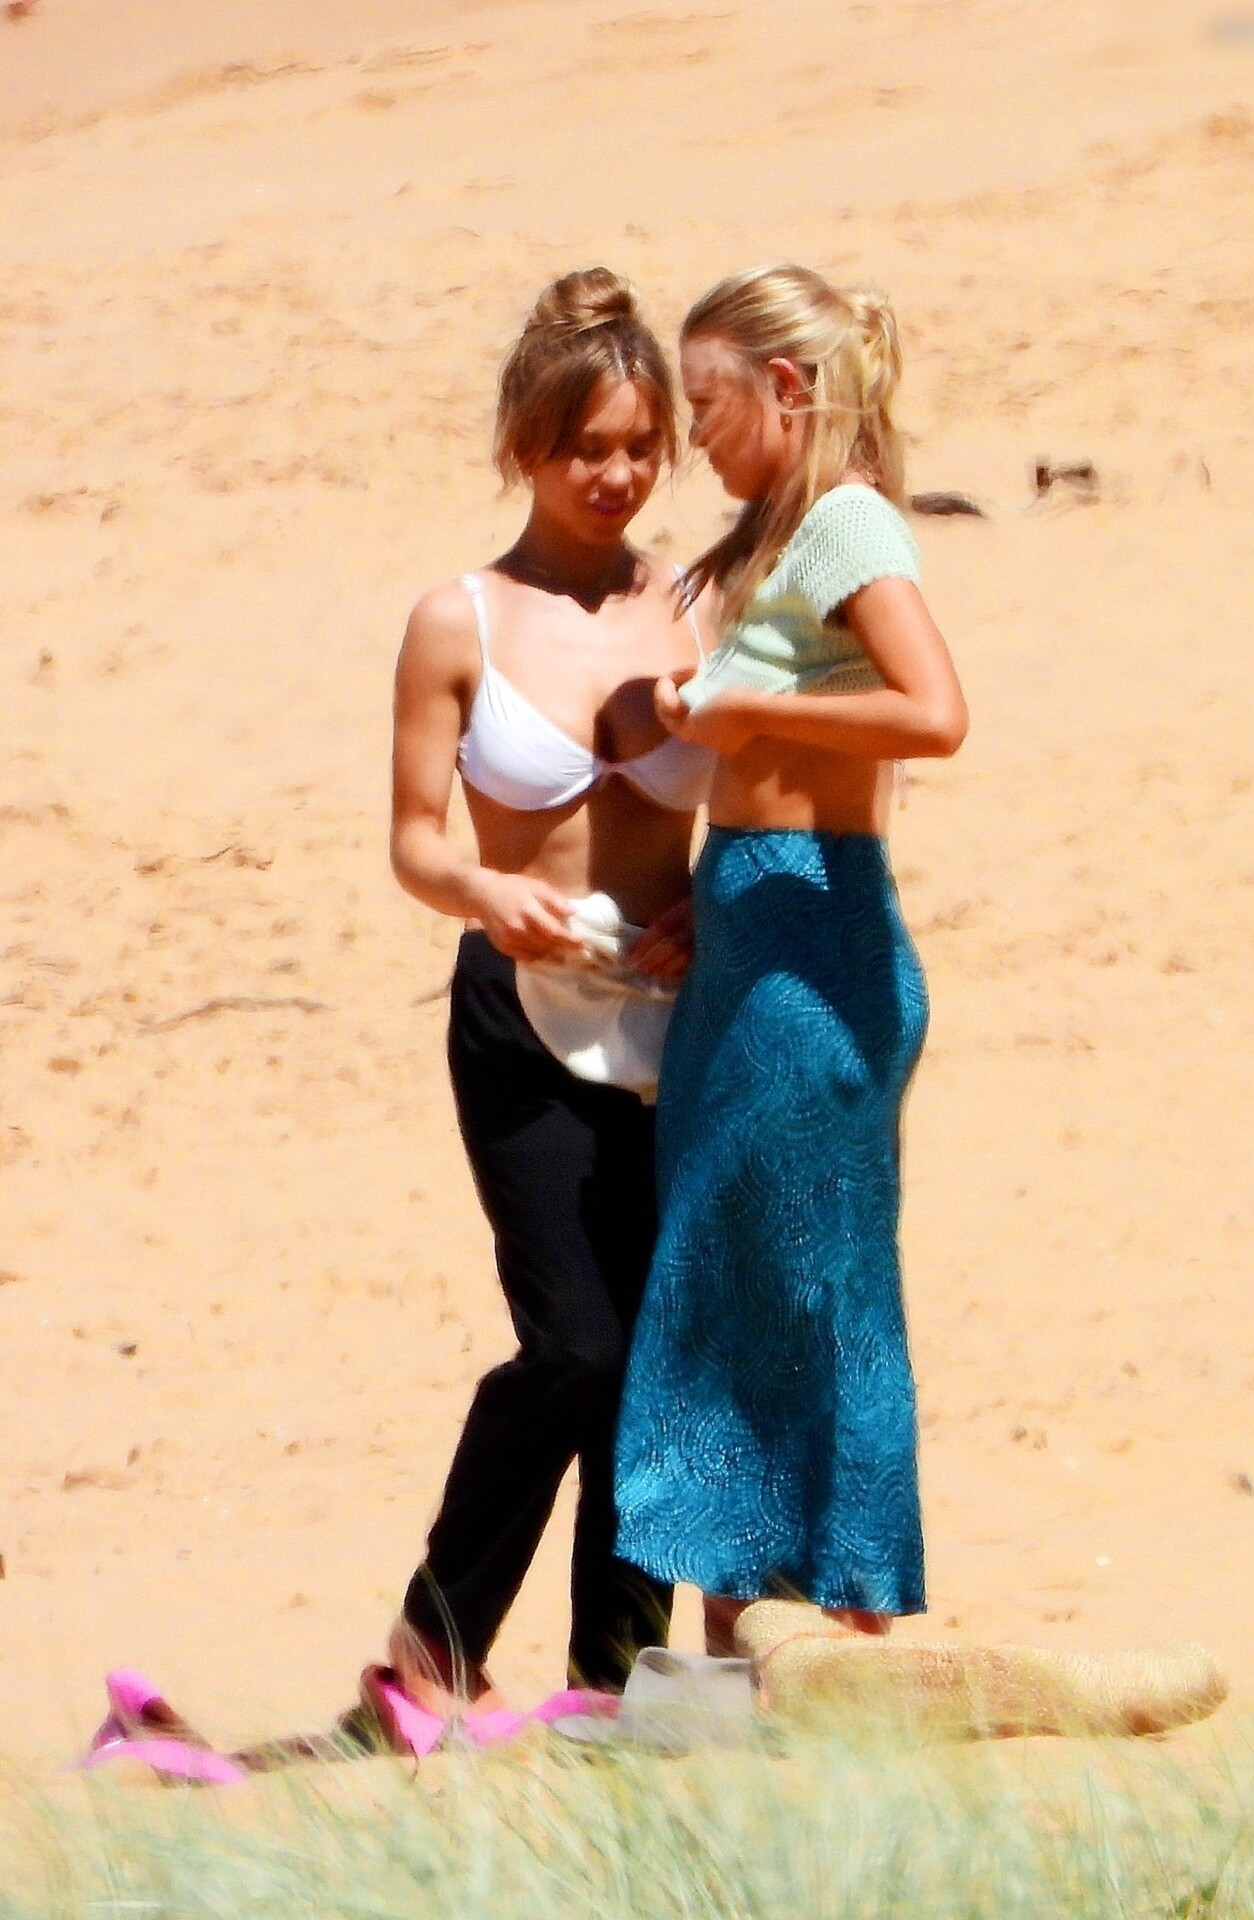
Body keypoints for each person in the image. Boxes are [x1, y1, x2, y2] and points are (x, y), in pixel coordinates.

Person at [613, 264, 969, 1658]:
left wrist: (751, 714)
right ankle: (748, 1660)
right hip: (755, 935)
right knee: (732, 1285)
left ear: (783, 387)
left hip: (816, 956)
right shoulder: (782, 536)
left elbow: (935, 713)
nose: (695, 437)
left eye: (708, 405)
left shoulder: (849, 520)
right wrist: (720, 884)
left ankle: (845, 1638)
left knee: (814, 1294)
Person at [377, 267, 716, 1728]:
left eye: (641, 446)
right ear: (527, 443)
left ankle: (617, 1687)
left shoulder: (696, 602)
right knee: (577, 1345)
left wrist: (714, 906)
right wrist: (482, 891)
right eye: (587, 447)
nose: (617, 475)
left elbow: (763, 799)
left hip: (673, 1020)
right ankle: (432, 1647)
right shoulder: (456, 620)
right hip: (518, 1010)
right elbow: (413, 841)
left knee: (655, 1366)